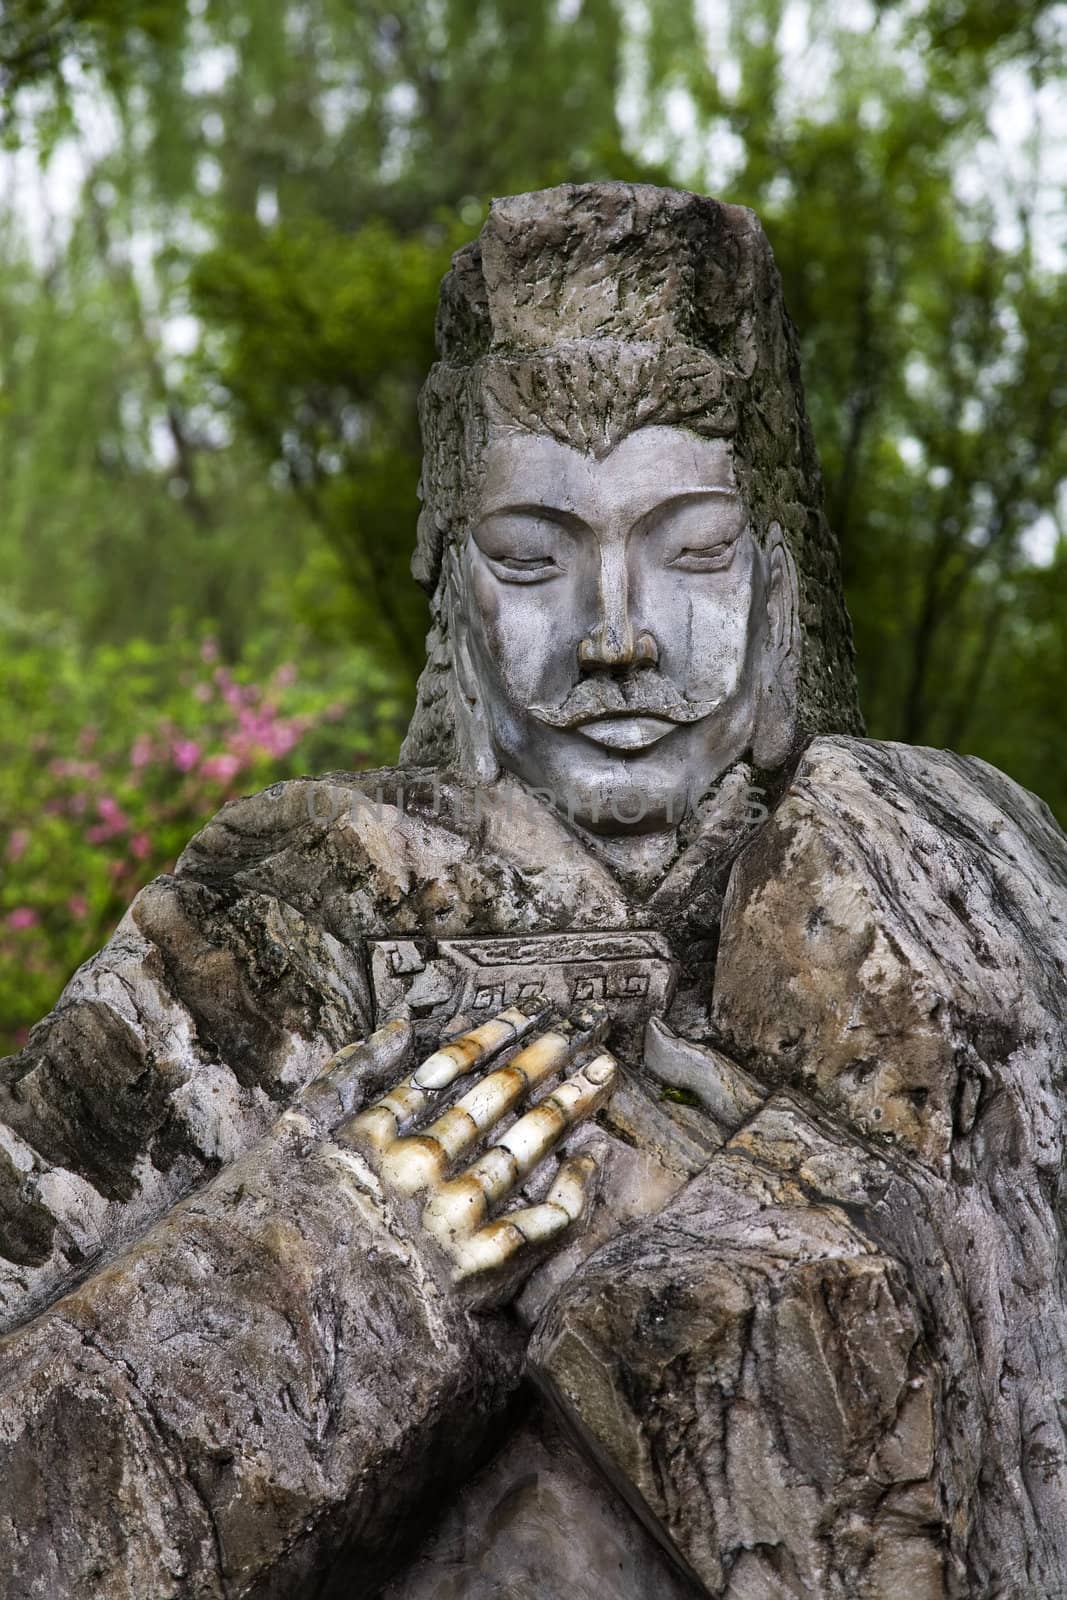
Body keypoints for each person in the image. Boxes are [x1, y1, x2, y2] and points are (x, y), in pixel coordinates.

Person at [1, 184, 1065, 1599]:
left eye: (689, 550)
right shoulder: (271, 934)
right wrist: (347, 1262)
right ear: (455, 590)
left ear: (776, 577)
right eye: (532, 557)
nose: (615, 635)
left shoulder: (967, 906)